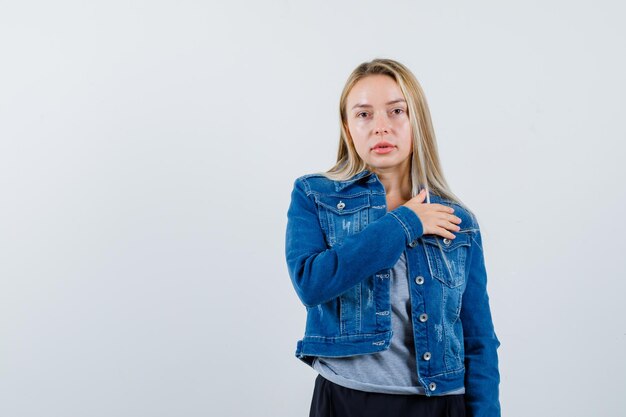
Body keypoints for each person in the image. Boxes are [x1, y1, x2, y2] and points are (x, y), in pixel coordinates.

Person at [284, 58, 501, 417]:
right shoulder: (314, 196)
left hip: (440, 404)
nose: (381, 128)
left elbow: (478, 341)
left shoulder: (458, 223)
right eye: (364, 115)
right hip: (346, 399)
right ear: (347, 127)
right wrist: (404, 222)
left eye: (396, 111)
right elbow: (311, 283)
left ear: (417, 120)